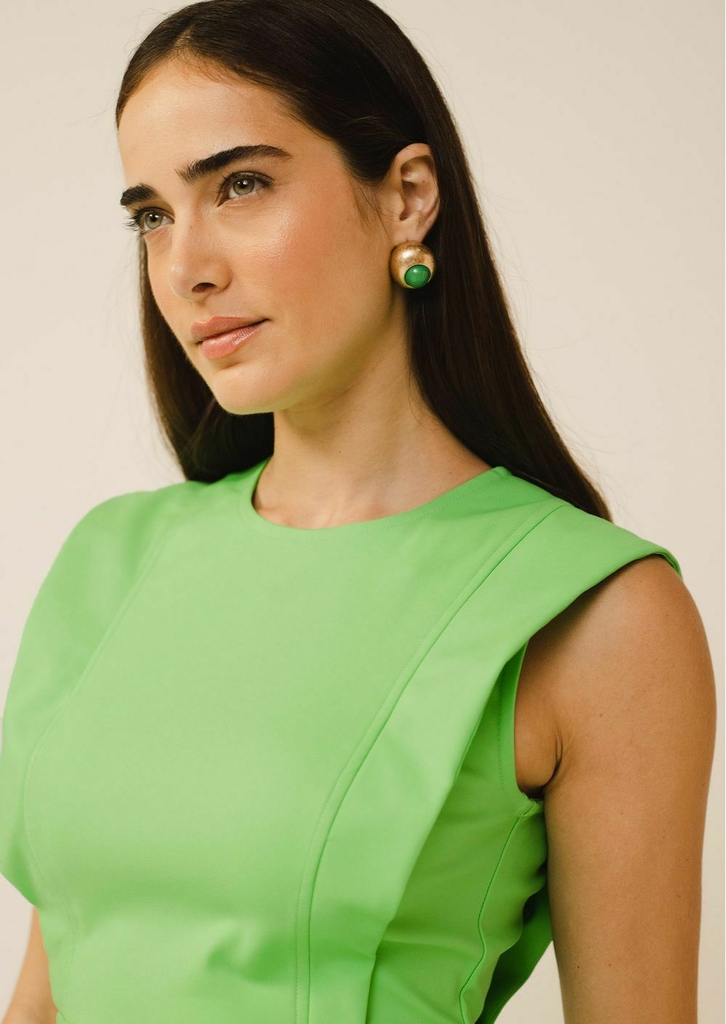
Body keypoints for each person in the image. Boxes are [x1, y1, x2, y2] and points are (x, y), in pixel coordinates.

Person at [0, 1, 716, 1022]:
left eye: (240, 185)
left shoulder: (594, 614)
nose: (187, 267)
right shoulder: (114, 559)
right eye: (152, 215)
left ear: (408, 197)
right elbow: (50, 990)